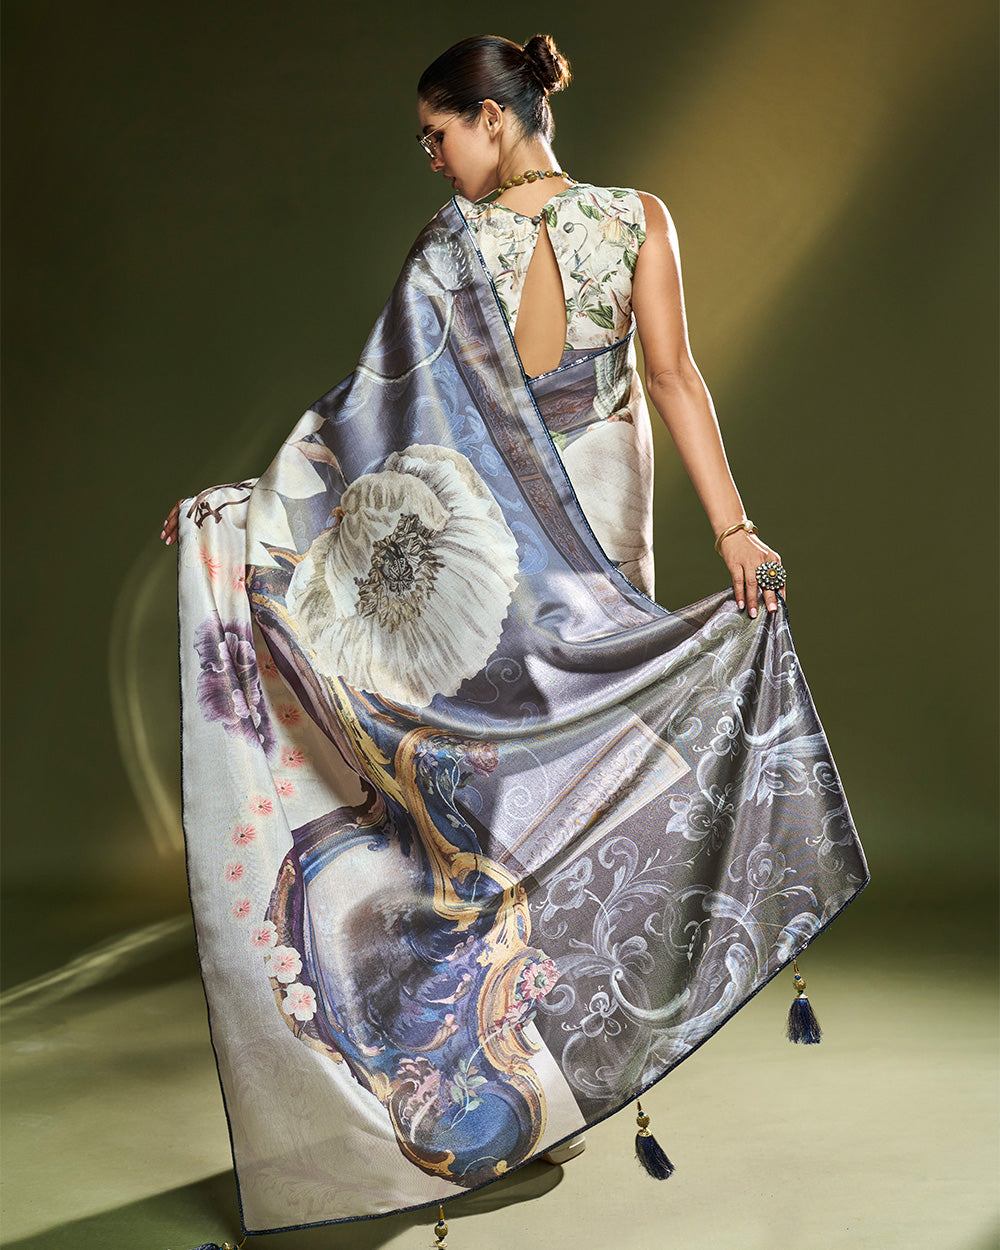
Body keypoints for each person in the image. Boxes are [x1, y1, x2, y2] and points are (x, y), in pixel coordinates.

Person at [159, 33, 866, 1246]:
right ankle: (553, 1069)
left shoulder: (452, 246)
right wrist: (734, 528)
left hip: (486, 544)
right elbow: (673, 379)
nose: (433, 161)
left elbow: (368, 419)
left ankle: (523, 1076)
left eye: (438, 134)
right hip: (595, 525)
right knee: (578, 771)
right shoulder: (637, 219)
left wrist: (247, 514)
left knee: (493, 791)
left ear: (493, 116)